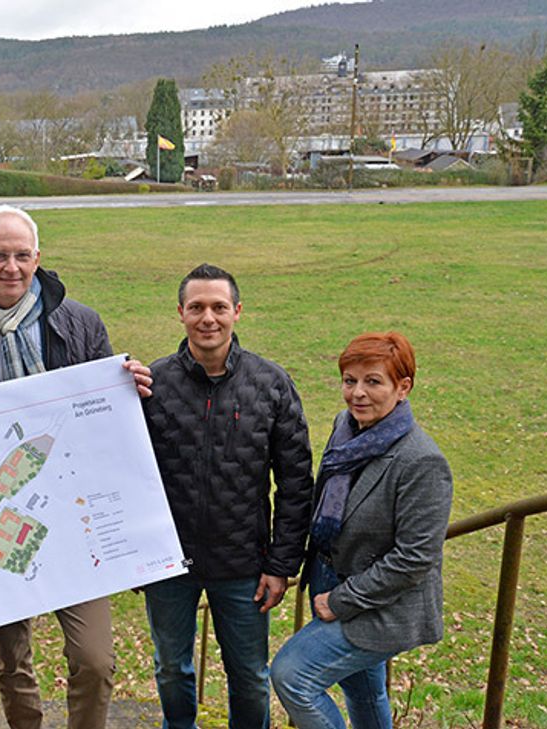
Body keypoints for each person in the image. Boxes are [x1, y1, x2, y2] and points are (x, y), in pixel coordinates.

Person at [0, 204, 152, 729]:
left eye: (22, 255)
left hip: (72, 514)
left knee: (95, 659)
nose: (11, 267)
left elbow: (107, 417)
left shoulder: (81, 322)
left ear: (38, 258)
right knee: (11, 659)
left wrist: (129, 388)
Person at [141, 263, 314, 729]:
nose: (208, 318)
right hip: (169, 564)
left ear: (237, 311)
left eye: (219, 307)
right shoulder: (152, 385)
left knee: (250, 676)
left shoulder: (271, 384)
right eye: (196, 307)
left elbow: (296, 481)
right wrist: (136, 555)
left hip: (244, 566)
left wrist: (281, 564)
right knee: (170, 668)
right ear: (180, 312)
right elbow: (126, 474)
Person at [271, 332, 453, 729]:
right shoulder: (347, 426)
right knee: (364, 691)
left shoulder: (421, 461)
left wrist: (341, 601)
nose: (357, 393)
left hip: (379, 602)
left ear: (403, 387)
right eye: (349, 380)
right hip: (330, 576)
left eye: (373, 381)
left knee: (292, 676)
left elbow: (415, 559)